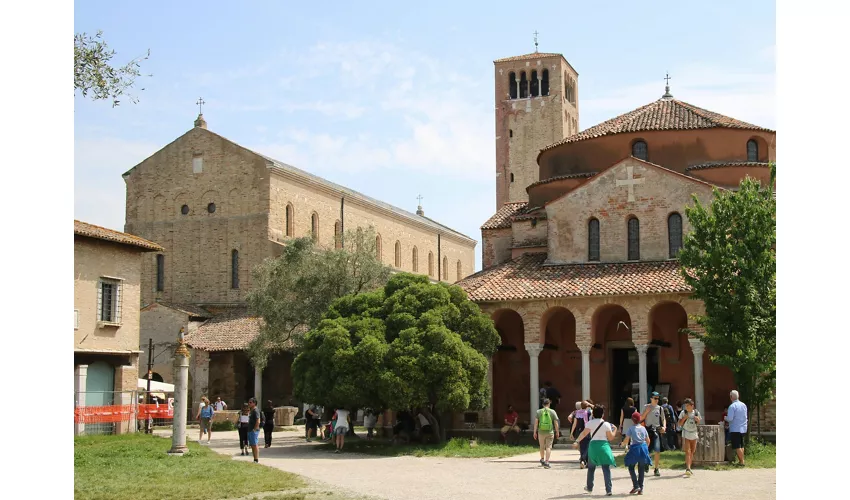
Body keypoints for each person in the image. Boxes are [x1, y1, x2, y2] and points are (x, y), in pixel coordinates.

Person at [573, 404, 617, 496]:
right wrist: (615, 430)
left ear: (593, 414)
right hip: (604, 446)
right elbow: (611, 438)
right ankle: (608, 489)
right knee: (606, 468)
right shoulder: (606, 424)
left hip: (593, 446)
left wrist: (577, 441)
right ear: (602, 414)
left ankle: (589, 487)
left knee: (591, 468)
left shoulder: (590, 423)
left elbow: (584, 433)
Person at [621, 411, 652, 495]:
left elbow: (626, 440)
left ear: (632, 420)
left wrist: (622, 444)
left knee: (631, 467)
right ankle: (641, 488)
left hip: (635, 448)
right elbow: (648, 441)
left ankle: (636, 485)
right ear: (639, 419)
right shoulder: (643, 428)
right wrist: (646, 448)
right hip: (643, 447)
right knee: (641, 469)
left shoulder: (631, 428)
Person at [639, 391, 666, 477]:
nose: (656, 400)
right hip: (647, 430)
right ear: (651, 398)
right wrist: (646, 412)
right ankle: (647, 462)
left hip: (657, 430)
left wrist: (664, 427)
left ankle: (656, 468)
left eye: (658, 398)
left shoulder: (660, 408)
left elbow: (663, 419)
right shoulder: (646, 407)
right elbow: (640, 418)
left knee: (657, 450)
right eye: (655, 398)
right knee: (647, 450)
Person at [533, 398, 560, 469]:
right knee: (548, 447)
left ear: (542, 404)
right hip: (550, 432)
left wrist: (534, 432)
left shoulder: (538, 412)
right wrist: (557, 431)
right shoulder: (552, 411)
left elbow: (536, 422)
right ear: (549, 404)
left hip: (541, 432)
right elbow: (556, 423)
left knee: (542, 446)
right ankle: (547, 461)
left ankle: (542, 459)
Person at [678, 398, 701, 476]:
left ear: (692, 406)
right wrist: (684, 418)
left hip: (694, 433)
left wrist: (697, 420)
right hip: (686, 432)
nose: (686, 407)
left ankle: (689, 466)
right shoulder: (683, 412)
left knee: (692, 451)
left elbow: (698, 423)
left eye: (688, 406)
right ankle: (688, 468)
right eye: (685, 406)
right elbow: (679, 424)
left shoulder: (696, 413)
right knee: (687, 451)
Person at [725, 390, 748, 466]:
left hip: (735, 428)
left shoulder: (732, 406)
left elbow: (730, 418)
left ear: (731, 397)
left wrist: (725, 418)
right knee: (741, 445)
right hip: (743, 428)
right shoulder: (743, 405)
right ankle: (741, 460)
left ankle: (742, 462)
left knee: (737, 446)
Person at [572, 401, 593, 468]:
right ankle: (584, 460)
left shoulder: (577, 412)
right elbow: (597, 408)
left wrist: (572, 432)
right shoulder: (589, 412)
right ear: (587, 406)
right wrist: (590, 404)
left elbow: (574, 423)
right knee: (587, 446)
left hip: (579, 431)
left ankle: (583, 460)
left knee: (582, 446)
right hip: (587, 430)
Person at [247, 397, 261, 463]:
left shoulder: (255, 410)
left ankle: (256, 459)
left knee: (255, 445)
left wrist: (255, 429)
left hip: (253, 430)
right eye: (248, 402)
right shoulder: (251, 410)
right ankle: (254, 459)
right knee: (252, 445)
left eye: (250, 402)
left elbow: (258, 421)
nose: (249, 403)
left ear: (254, 403)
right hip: (250, 429)